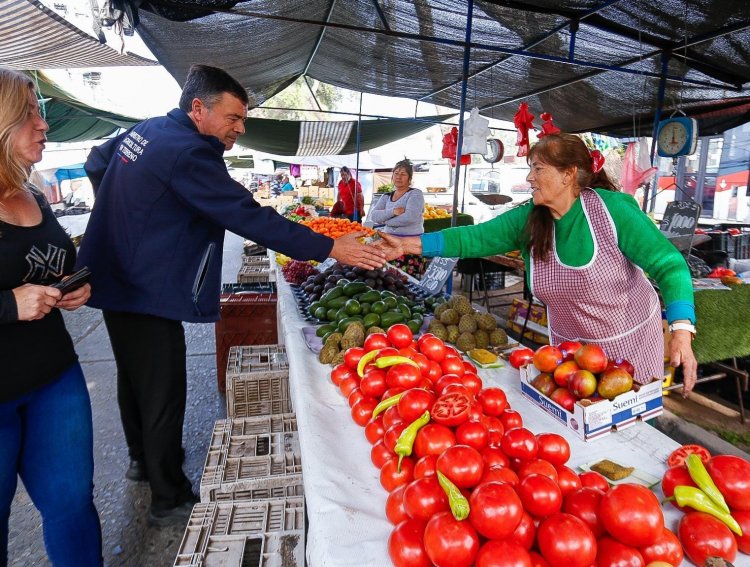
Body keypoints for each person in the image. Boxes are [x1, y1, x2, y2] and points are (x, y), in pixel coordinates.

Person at [76, 64, 385, 526]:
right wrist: (328, 245)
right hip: (145, 287)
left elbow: (97, 162)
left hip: (115, 276)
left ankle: (142, 459)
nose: (239, 129)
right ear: (198, 108)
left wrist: (125, 214)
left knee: (134, 375)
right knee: (162, 388)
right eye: (233, 117)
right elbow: (248, 216)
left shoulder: (149, 129)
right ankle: (169, 496)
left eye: (243, 120)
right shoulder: (189, 153)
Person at [375, 134, 698, 395]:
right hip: (569, 354)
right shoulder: (530, 219)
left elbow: (669, 264)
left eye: (538, 169)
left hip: (628, 346)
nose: (529, 177)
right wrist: (406, 244)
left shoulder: (612, 211)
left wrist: (682, 330)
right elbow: (473, 238)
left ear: (568, 174)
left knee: (631, 437)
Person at [0, 68, 102, 566]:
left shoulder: (34, 192)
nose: (44, 125)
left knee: (72, 506)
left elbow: (50, 263)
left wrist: (74, 285)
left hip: (54, 378)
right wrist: (8, 305)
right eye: (31, 114)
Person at [368, 158, 427, 278]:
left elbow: (409, 217)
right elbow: (374, 216)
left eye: (403, 174)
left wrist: (386, 221)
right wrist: (393, 211)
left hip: (410, 246)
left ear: (410, 178)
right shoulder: (386, 196)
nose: (398, 177)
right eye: (396, 173)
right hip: (388, 245)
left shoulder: (415, 194)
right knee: (389, 279)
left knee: (407, 281)